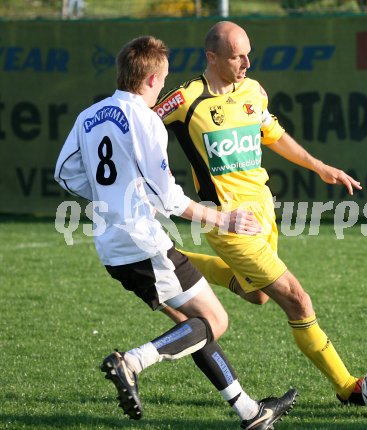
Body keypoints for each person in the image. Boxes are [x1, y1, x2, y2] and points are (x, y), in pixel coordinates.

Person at [54, 35, 297, 429]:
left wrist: (109, 195)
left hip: (111, 249)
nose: (163, 88)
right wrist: (224, 219)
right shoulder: (147, 119)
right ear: (150, 79)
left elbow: (64, 172)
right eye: (163, 81)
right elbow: (167, 197)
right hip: (144, 244)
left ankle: (250, 412)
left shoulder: (89, 115)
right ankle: (130, 362)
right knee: (214, 322)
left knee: (194, 326)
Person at [154, 21, 366, 406]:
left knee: (259, 298)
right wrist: (155, 173)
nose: (247, 62)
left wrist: (319, 166)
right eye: (238, 56)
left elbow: (275, 135)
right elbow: (142, 125)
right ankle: (347, 386)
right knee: (298, 300)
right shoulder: (186, 99)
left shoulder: (253, 92)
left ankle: (174, 264)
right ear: (212, 57)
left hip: (264, 212)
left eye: (248, 53)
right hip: (229, 224)